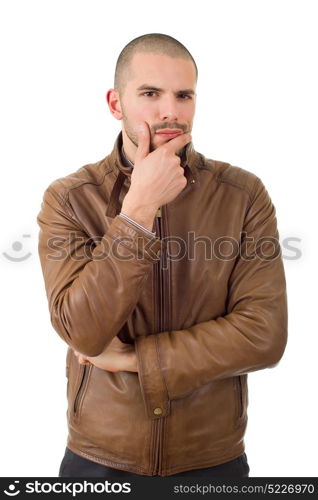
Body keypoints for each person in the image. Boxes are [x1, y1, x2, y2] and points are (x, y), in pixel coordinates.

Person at [37, 33, 288, 478]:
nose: (170, 110)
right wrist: (138, 210)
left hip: (214, 459)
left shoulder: (243, 195)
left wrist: (137, 360)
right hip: (99, 459)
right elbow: (82, 331)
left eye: (184, 95)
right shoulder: (70, 199)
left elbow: (264, 335)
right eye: (150, 94)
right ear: (117, 104)